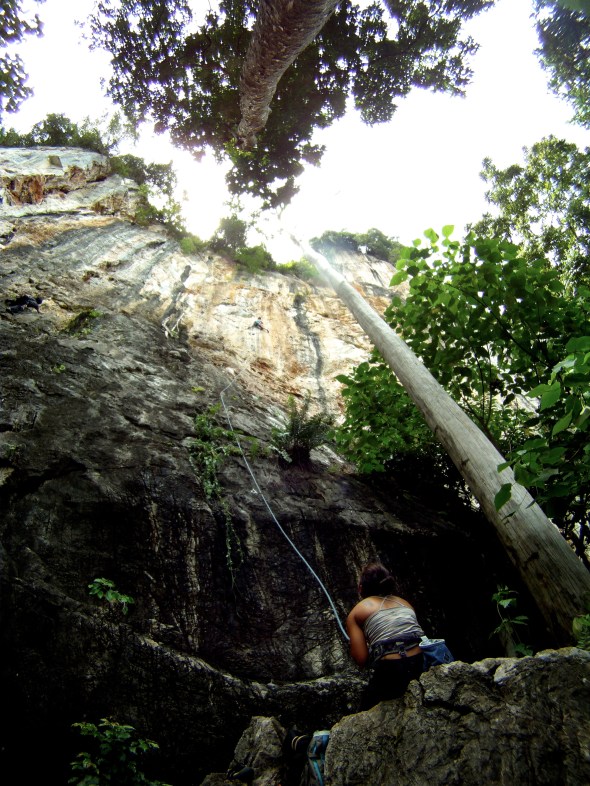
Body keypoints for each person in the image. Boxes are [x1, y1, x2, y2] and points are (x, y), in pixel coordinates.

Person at [346, 562, 426, 710]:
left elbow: (361, 659)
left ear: (361, 588)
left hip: (391, 669)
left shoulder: (358, 611)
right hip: (420, 663)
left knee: (365, 712)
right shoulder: (405, 603)